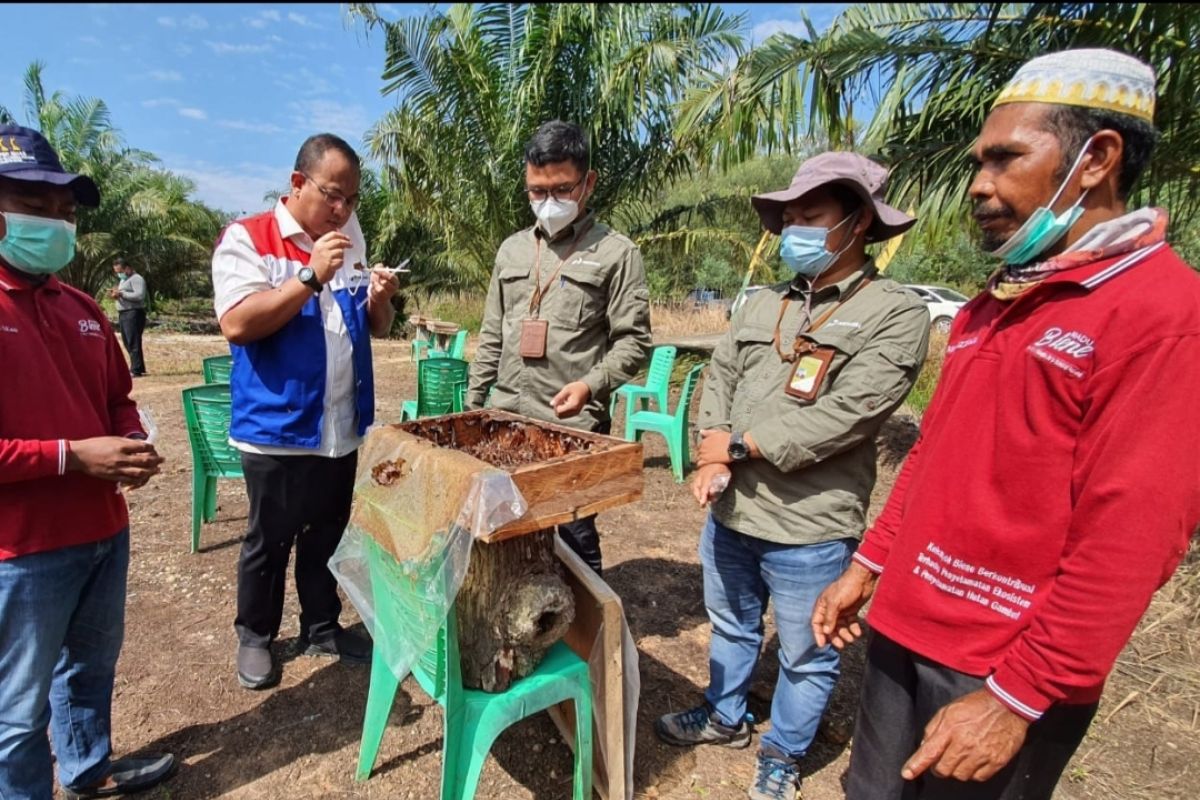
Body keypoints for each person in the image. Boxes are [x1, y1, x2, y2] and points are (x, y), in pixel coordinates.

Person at [812, 49, 1200, 799]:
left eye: (1004, 159)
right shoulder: (995, 302)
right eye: (977, 163)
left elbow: (1133, 533)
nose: (978, 186)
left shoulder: (1163, 314)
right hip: (905, 629)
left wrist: (1020, 696)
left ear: (1098, 158)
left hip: (997, 665)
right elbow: (934, 457)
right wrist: (868, 567)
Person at [655, 151, 930, 800]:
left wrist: (741, 446)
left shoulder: (895, 312)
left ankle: (783, 750)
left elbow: (851, 414)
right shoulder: (762, 304)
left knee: (808, 651)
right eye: (790, 218)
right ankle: (725, 715)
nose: (795, 229)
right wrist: (711, 450)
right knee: (731, 624)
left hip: (811, 527)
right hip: (733, 514)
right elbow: (720, 377)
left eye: (811, 216)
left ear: (858, 222)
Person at [0, 124, 176, 798]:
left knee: (89, 668)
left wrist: (130, 442)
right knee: (16, 712)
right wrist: (73, 457)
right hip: (21, 551)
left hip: (102, 532)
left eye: (66, 212)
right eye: (36, 207)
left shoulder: (79, 309)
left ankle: (86, 768)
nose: (56, 224)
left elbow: (116, 398)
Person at [211, 132, 399, 690]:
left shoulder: (348, 242)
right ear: (298, 184)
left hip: (338, 428)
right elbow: (239, 323)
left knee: (328, 535)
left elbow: (375, 328)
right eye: (332, 195)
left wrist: (380, 298)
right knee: (270, 540)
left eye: (351, 200)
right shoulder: (250, 238)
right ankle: (256, 636)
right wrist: (309, 274)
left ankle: (322, 625)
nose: (342, 210)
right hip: (278, 430)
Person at [466, 120, 652, 576]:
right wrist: (472, 407)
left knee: (574, 542)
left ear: (587, 183)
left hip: (569, 428)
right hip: (506, 420)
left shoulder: (616, 253)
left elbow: (635, 341)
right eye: (536, 191)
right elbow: (492, 334)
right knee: (504, 534)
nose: (548, 202)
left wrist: (590, 386)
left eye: (561, 189)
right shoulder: (511, 251)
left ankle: (586, 636)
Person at [108, 257, 147, 376]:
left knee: (133, 341)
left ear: (128, 268)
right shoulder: (124, 280)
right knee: (127, 341)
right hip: (124, 313)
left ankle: (136, 369)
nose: (119, 274)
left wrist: (121, 294)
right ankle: (138, 366)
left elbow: (139, 295)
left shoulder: (136, 279)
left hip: (133, 313)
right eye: (117, 272)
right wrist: (115, 294)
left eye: (120, 271)